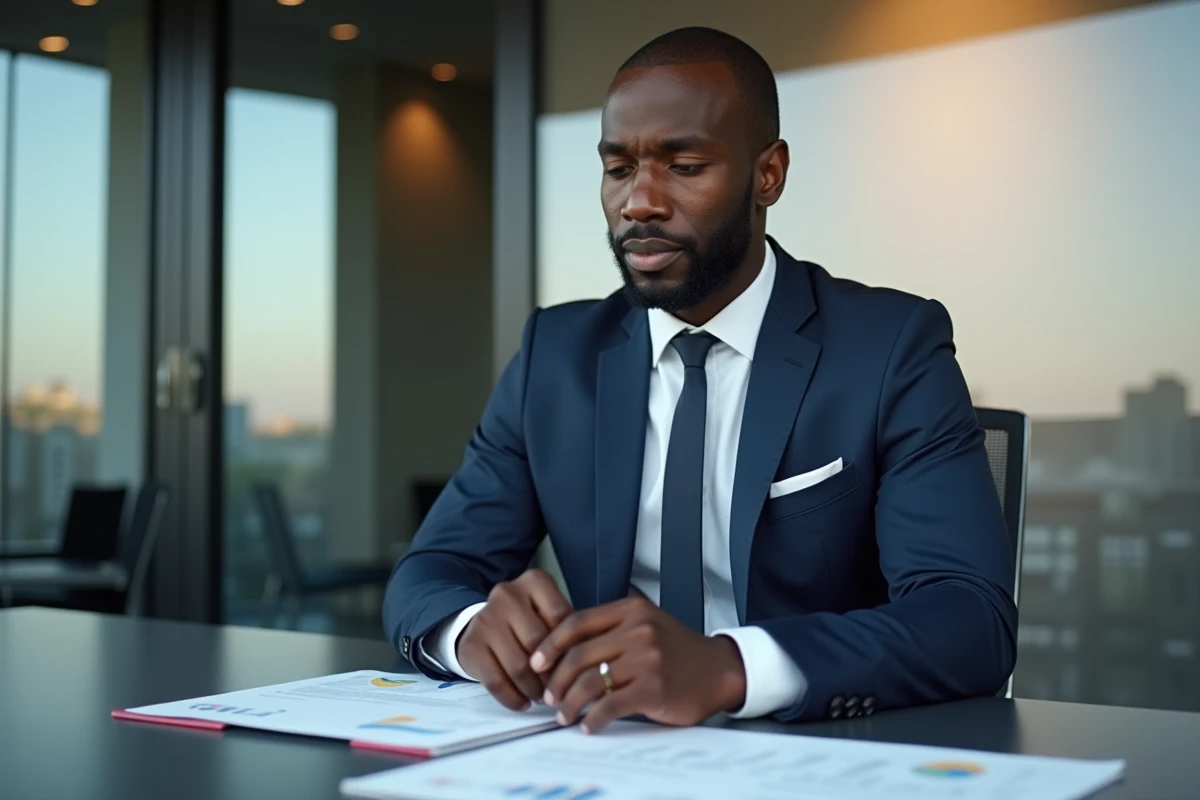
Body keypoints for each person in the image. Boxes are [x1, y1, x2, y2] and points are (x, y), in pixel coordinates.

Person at [383, 26, 1016, 734]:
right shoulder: (553, 358)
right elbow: (430, 571)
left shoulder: (890, 349)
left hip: (817, 754)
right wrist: (471, 632)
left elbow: (969, 619)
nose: (640, 202)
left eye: (683, 165)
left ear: (767, 174)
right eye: (618, 169)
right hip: (601, 753)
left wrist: (727, 668)